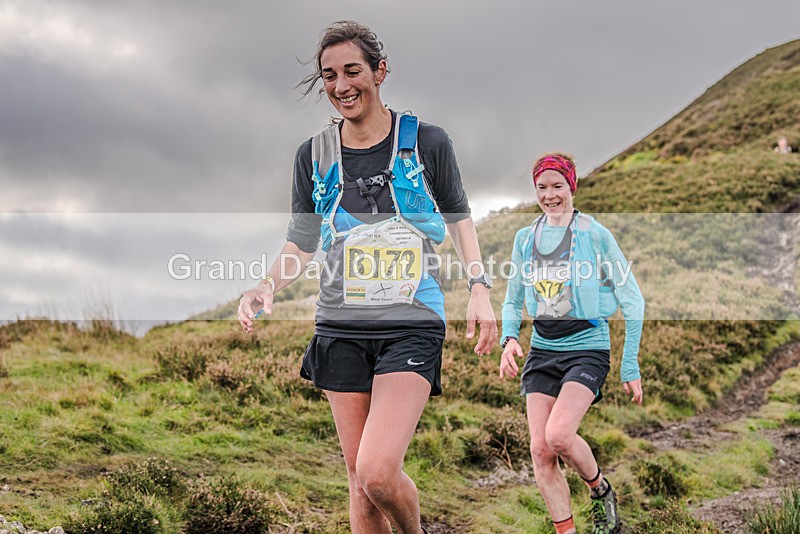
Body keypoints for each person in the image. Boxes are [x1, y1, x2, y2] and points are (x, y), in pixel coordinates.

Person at [238, 20, 497, 534]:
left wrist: (479, 288)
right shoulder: (312, 156)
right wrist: (266, 285)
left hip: (411, 324)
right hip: (340, 328)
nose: (340, 86)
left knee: (378, 473)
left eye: (352, 71)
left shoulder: (427, 142)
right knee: (359, 487)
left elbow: (459, 216)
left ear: (380, 71)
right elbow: (302, 239)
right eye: (329, 76)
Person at [499, 153, 644, 534]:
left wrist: (630, 365)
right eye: (542, 187)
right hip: (542, 351)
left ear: (571, 187)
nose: (549, 195)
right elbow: (513, 299)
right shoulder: (524, 238)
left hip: (587, 348)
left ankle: (599, 490)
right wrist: (509, 338)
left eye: (557, 186)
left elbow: (633, 299)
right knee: (540, 450)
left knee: (559, 435)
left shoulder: (595, 234)